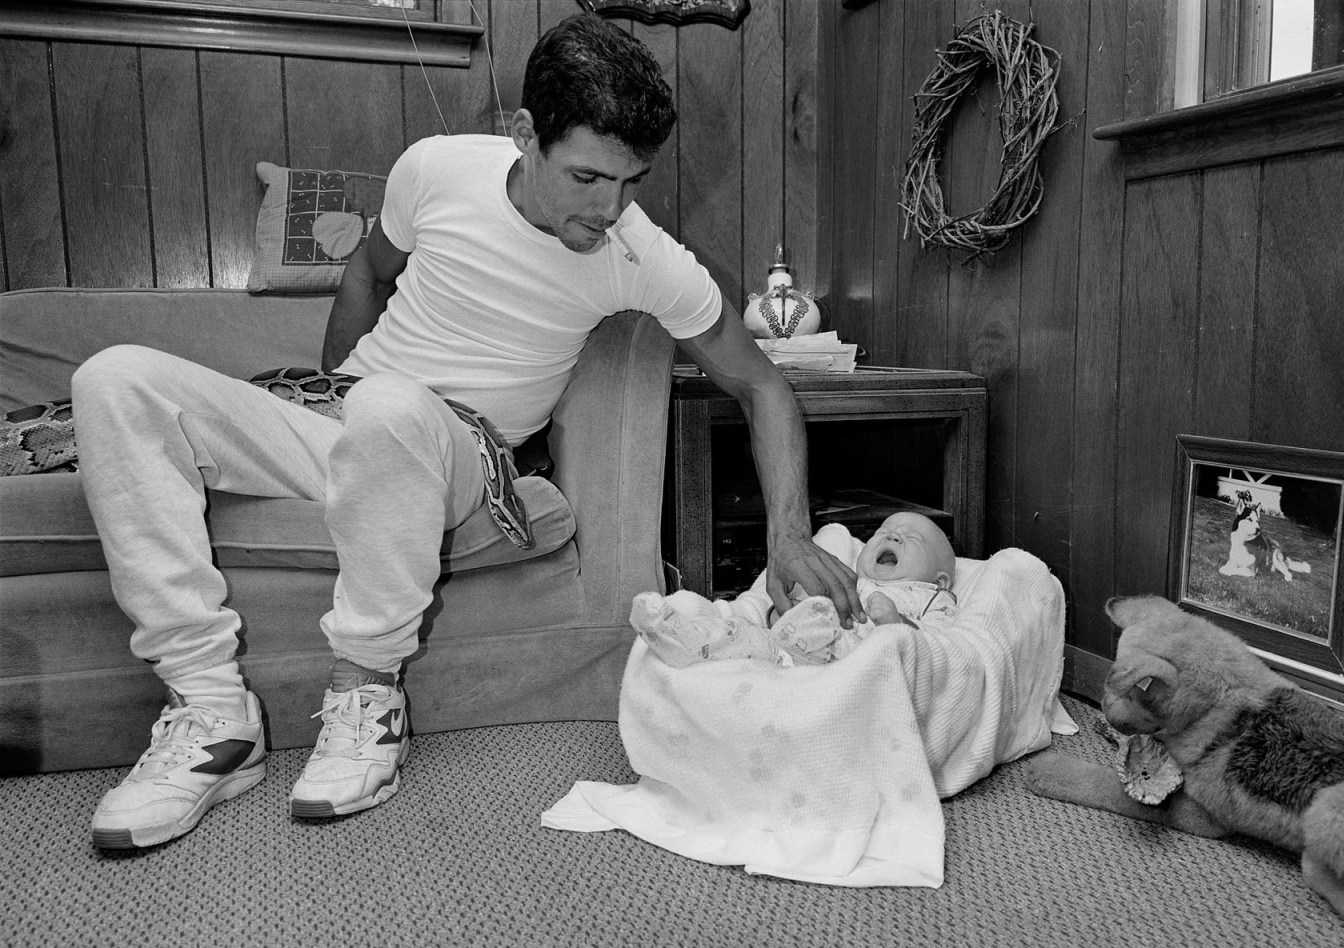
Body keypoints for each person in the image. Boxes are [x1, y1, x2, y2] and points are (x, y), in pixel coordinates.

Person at [70, 13, 861, 850]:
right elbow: (369, 268)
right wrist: (335, 386)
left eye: (632, 182)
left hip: (455, 451)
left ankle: (367, 694)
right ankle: (210, 712)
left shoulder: (641, 256)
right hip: (341, 421)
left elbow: (761, 384)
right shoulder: (435, 169)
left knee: (393, 409)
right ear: (523, 135)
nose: (610, 209)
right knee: (115, 380)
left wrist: (788, 533)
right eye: (587, 178)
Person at [631, 511, 958, 668]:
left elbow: (940, 646)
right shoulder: (843, 575)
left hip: (853, 662)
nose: (893, 536)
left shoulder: (931, 596)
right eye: (883, 532)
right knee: (743, 636)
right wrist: (779, 613)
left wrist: (898, 623)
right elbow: (782, 612)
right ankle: (688, 639)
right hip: (788, 648)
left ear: (940, 579)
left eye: (911, 538)